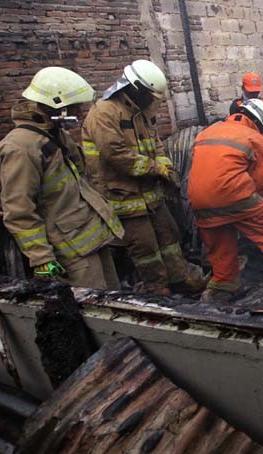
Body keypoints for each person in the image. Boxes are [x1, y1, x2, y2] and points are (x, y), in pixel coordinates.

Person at [0, 67, 124, 289]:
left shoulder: (54, 134)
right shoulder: (20, 149)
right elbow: (19, 212)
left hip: (89, 241)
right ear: (56, 105)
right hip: (69, 255)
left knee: (115, 300)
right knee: (94, 312)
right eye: (75, 107)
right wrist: (44, 262)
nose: (80, 113)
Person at [82, 59, 204, 296]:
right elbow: (116, 154)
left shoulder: (140, 112)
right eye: (150, 95)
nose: (153, 101)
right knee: (145, 247)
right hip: (124, 196)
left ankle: (181, 279)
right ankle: (157, 288)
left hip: (150, 194)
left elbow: (156, 145)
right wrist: (155, 170)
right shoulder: (104, 113)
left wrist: (167, 168)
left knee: (169, 237)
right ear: (136, 88)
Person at [188, 99, 263, 302]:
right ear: (257, 121)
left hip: (199, 201)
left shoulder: (209, 131)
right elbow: (261, 180)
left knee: (221, 243)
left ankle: (222, 290)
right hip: (234, 195)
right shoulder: (253, 137)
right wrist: (262, 209)